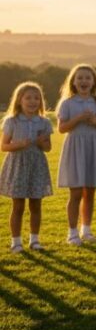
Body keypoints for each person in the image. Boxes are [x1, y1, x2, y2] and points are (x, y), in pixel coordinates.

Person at [57, 64, 96, 245]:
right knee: (76, 192)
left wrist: (95, 120)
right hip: (75, 147)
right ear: (73, 81)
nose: (83, 81)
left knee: (90, 191)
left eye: (87, 78)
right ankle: (72, 233)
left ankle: (86, 230)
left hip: (93, 146)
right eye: (79, 78)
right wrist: (79, 118)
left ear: (94, 82)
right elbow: (62, 128)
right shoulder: (67, 103)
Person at [1, 82, 53, 252]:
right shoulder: (12, 121)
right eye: (28, 98)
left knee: (36, 205)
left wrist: (40, 143)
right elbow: (4, 146)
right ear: (19, 100)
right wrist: (19, 144)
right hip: (18, 166)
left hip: (37, 166)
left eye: (36, 98)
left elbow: (48, 148)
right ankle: (16, 242)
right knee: (18, 206)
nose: (33, 101)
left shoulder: (44, 122)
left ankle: (34, 240)